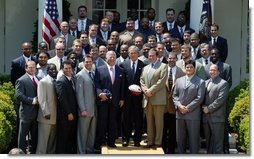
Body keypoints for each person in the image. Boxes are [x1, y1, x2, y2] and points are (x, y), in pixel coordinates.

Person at [173, 59, 205, 154]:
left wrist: (187, 108)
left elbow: (199, 98)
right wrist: (179, 106)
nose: (189, 69)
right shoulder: (179, 80)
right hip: (180, 114)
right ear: (184, 68)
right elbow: (175, 96)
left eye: (191, 67)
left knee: (193, 140)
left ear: (194, 69)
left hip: (193, 115)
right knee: (180, 140)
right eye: (187, 67)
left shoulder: (201, 82)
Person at [94, 51, 125, 148]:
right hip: (103, 100)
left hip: (115, 101)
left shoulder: (120, 70)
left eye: (114, 57)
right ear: (106, 58)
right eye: (110, 57)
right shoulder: (99, 70)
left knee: (113, 122)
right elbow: (96, 84)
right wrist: (99, 93)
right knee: (102, 122)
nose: (112, 59)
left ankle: (111, 141)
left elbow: (122, 86)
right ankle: (101, 141)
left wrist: (122, 99)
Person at [140, 48, 168, 148]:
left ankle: (158, 142)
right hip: (147, 99)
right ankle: (150, 141)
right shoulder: (145, 68)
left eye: (152, 55)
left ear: (157, 56)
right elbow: (142, 81)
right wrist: (145, 90)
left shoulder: (163, 66)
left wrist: (150, 91)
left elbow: (161, 81)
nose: (150, 57)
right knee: (149, 122)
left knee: (159, 122)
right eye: (149, 56)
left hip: (158, 99)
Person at [120, 45, 145, 147]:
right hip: (127, 98)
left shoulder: (143, 65)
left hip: (138, 98)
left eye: (134, 53)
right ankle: (126, 139)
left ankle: (137, 140)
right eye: (131, 53)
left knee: (138, 119)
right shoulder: (123, 65)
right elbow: (122, 83)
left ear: (138, 54)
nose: (132, 54)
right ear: (128, 54)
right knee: (126, 119)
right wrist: (122, 98)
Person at [202, 64, 229, 154]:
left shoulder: (223, 83)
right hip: (206, 117)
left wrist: (209, 109)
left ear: (218, 72)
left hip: (217, 117)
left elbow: (220, 100)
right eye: (210, 70)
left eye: (214, 70)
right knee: (209, 144)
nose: (212, 72)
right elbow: (201, 98)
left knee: (218, 145)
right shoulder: (205, 82)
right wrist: (203, 107)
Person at [162, 52, 185, 154]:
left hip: (175, 106)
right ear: (167, 59)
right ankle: (162, 150)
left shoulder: (182, 72)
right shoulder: (161, 70)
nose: (171, 60)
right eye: (169, 58)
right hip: (162, 105)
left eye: (173, 58)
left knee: (173, 131)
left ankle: (171, 152)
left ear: (176, 59)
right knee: (162, 129)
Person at [15, 61, 39, 154]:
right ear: (26, 68)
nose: (32, 69)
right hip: (26, 113)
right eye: (30, 67)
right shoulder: (21, 80)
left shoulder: (37, 79)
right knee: (22, 138)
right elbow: (18, 95)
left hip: (36, 114)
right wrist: (32, 101)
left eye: (34, 67)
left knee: (34, 137)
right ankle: (20, 155)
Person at [55, 60, 78, 154]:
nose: (68, 70)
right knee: (62, 139)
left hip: (73, 114)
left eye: (70, 68)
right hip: (65, 115)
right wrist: (69, 112)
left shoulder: (72, 79)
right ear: (62, 69)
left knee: (69, 138)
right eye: (66, 68)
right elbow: (62, 99)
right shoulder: (61, 81)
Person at [76, 55, 97, 154]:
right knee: (82, 134)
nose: (88, 63)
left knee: (91, 134)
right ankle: (81, 153)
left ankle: (90, 151)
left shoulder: (93, 73)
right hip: (85, 110)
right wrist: (82, 109)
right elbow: (79, 94)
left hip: (94, 110)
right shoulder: (80, 75)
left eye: (90, 61)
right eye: (86, 62)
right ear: (83, 63)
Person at [36, 63, 58, 154]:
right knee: (43, 143)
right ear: (47, 71)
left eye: (54, 69)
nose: (53, 71)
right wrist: (46, 113)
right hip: (46, 117)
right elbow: (42, 99)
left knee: (52, 143)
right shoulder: (43, 81)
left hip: (55, 116)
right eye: (51, 69)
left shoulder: (56, 81)